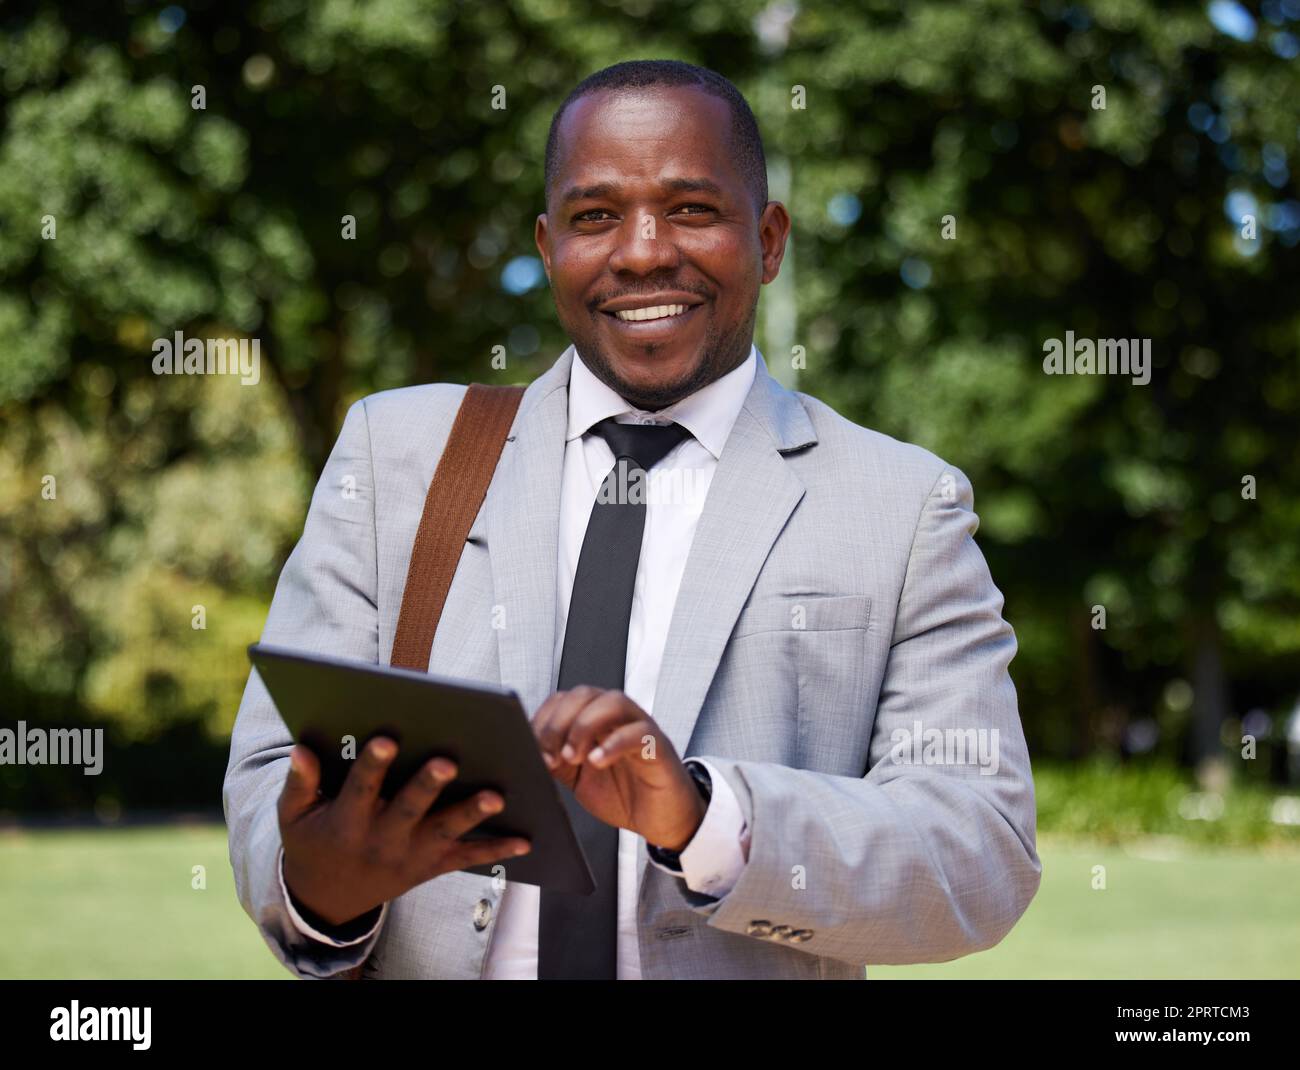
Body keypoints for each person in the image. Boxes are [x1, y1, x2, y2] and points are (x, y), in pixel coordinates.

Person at [223, 59, 1041, 980]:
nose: (644, 251)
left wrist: (702, 815)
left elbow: (981, 847)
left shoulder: (901, 505)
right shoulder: (396, 454)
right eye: (595, 216)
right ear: (547, 246)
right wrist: (319, 887)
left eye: (691, 209)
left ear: (768, 240)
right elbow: (267, 777)